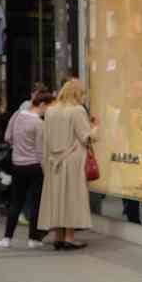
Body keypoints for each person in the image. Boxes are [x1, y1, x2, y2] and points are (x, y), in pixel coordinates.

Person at [38, 79, 96, 250]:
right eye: (83, 93)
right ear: (77, 93)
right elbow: (86, 137)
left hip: (53, 160)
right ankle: (69, 237)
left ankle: (58, 236)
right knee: (72, 197)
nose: (84, 97)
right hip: (73, 160)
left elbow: (45, 138)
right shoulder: (77, 110)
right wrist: (96, 127)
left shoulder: (50, 111)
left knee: (57, 197)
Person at [0, 91, 54, 249]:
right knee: (36, 204)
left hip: (17, 164)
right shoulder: (39, 124)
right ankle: (33, 239)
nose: (48, 112)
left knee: (16, 201)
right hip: (35, 166)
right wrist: (46, 170)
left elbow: (8, 137)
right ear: (42, 105)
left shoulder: (16, 115)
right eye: (48, 108)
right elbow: (40, 150)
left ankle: (7, 238)